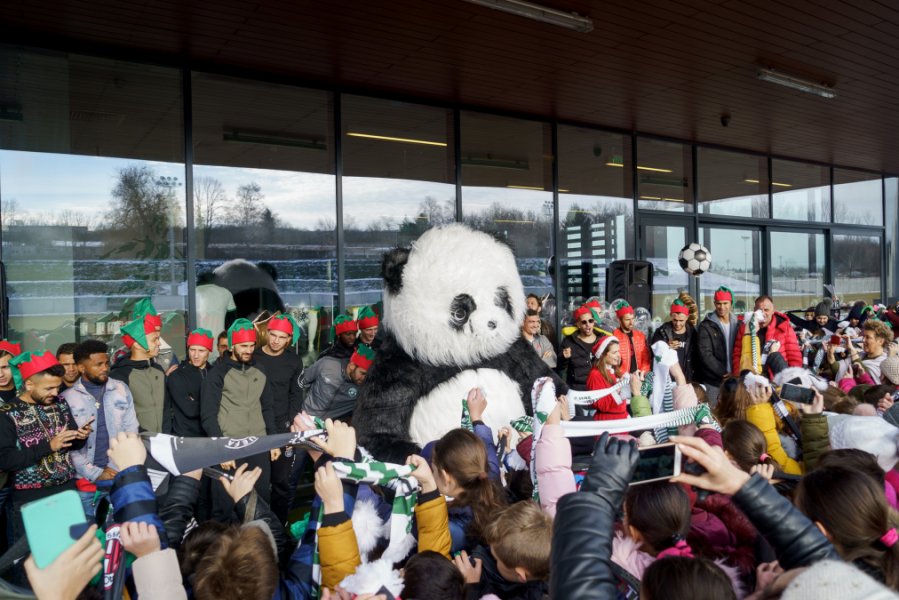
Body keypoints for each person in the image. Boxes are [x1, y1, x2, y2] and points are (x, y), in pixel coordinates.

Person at [0, 351, 91, 538]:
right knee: (32, 561)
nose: (55, 393)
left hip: (66, 491)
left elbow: (69, 445)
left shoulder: (60, 403)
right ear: (29, 384)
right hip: (30, 500)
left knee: (71, 556)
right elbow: (5, 460)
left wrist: (80, 436)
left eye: (57, 387)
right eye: (48, 388)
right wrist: (49, 446)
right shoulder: (7, 413)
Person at [201, 319, 277, 515]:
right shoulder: (217, 373)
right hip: (230, 447)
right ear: (232, 345)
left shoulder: (260, 370)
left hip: (258, 444)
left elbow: (267, 407)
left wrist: (273, 440)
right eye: (243, 346)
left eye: (252, 346)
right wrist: (222, 449)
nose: (248, 350)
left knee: (260, 503)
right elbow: (208, 415)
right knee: (225, 506)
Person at [62, 339, 140, 518]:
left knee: (119, 535)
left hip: (119, 476)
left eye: (106, 363)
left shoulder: (120, 389)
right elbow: (66, 446)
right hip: (85, 482)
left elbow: (131, 431)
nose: (105, 368)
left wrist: (114, 468)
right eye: (98, 364)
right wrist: (96, 473)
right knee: (89, 537)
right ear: (82, 368)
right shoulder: (67, 398)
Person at [253, 314, 303, 524]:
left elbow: (296, 394)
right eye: (273, 335)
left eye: (281, 337)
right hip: (256, 426)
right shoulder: (254, 357)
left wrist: (292, 424)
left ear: (288, 339)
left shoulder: (294, 361)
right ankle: (258, 525)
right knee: (259, 482)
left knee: (281, 482)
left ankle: (279, 525)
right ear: (267, 334)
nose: (275, 340)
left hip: (282, 428)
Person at [109, 314, 168, 432]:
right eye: (154, 340)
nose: (159, 343)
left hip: (163, 440)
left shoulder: (159, 370)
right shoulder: (119, 376)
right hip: (137, 442)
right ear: (137, 344)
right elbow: (119, 416)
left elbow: (167, 407)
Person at [300, 344, 374, 421]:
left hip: (330, 426)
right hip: (305, 416)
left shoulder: (367, 388)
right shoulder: (327, 364)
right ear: (352, 365)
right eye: (363, 373)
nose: (365, 378)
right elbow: (300, 381)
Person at [732, 295, 802, 375]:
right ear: (754, 310)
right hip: (752, 378)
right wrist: (738, 376)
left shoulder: (784, 327)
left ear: (773, 311)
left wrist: (793, 381)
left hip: (778, 379)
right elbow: (737, 355)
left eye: (766, 310)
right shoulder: (746, 328)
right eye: (759, 310)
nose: (763, 313)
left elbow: (794, 357)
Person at [165, 329, 214, 437]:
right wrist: (214, 404)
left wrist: (196, 401)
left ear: (209, 351)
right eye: (192, 350)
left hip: (210, 436)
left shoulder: (215, 373)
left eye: (201, 351)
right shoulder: (177, 375)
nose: (196, 355)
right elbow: (190, 410)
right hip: (186, 438)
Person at [586, 335, 644, 421]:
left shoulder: (613, 370)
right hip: (608, 422)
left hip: (621, 418)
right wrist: (621, 389)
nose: (618, 355)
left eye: (618, 351)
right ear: (602, 355)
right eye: (614, 352)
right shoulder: (595, 375)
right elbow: (601, 405)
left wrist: (632, 383)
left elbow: (622, 400)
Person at [697, 287, 738, 405]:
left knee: (734, 414)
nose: (722, 307)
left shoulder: (738, 324)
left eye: (725, 303)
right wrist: (723, 372)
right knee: (714, 415)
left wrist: (735, 372)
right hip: (714, 381)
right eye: (718, 303)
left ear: (731, 304)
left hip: (735, 379)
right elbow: (705, 354)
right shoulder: (706, 326)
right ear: (714, 303)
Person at [651, 299, 697, 382]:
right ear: (671, 315)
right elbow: (654, 358)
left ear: (687, 317)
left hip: (687, 380)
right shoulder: (661, 332)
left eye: (681, 320)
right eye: (675, 320)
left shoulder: (693, 333)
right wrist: (666, 348)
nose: (678, 324)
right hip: (667, 381)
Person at [195, 271, 237, 359]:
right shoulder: (226, 293)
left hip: (197, 343)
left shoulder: (193, 293)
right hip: (220, 344)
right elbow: (232, 322)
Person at [558, 304, 598, 390]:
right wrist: (564, 357)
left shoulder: (602, 339)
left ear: (594, 322)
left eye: (590, 321)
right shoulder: (568, 341)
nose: (588, 324)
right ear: (578, 324)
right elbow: (560, 367)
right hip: (577, 390)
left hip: (598, 387)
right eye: (584, 322)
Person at [613, 300, 651, 375]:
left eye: (632, 319)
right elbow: (612, 362)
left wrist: (642, 373)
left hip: (639, 377)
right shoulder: (613, 336)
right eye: (627, 320)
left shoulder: (640, 336)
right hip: (621, 379)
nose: (631, 322)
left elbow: (646, 359)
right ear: (620, 320)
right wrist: (622, 375)